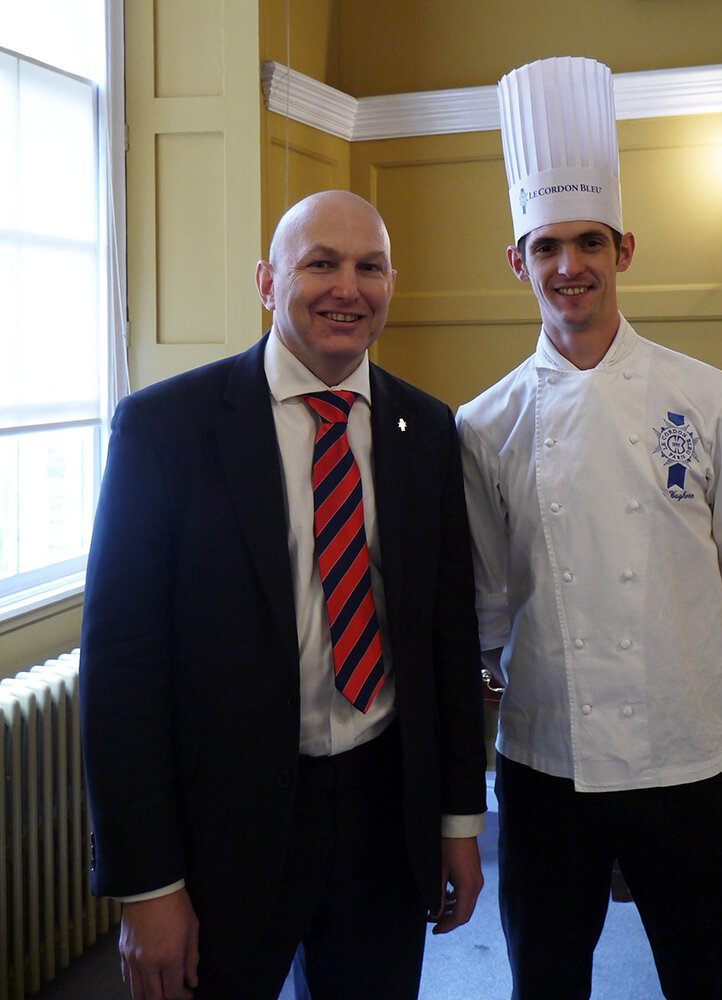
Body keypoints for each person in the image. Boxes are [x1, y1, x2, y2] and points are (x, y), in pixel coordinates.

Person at [81, 190, 487, 1000]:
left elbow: (447, 639)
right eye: (321, 264)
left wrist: (458, 824)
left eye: (369, 267)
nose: (349, 287)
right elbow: (123, 673)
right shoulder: (165, 430)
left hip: (383, 816)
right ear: (268, 283)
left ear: (392, 285)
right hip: (223, 832)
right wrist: (149, 885)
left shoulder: (427, 430)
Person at [456, 57, 722, 1000]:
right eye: (547, 246)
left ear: (625, 250)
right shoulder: (485, 424)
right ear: (518, 261)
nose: (571, 266)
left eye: (589, 242)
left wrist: (688, 678)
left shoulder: (711, 398)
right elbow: (488, 592)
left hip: (689, 753)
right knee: (547, 974)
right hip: (545, 755)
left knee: (710, 968)